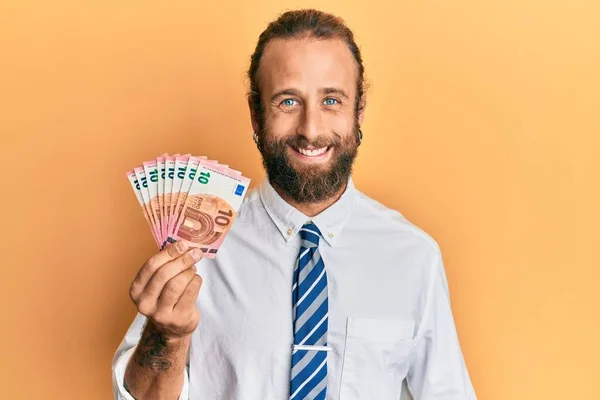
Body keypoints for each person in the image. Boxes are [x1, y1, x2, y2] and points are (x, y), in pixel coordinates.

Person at [112, 9, 477, 400]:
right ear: (256, 115)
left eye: (331, 100)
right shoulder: (196, 248)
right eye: (288, 102)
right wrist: (168, 336)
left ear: (359, 111)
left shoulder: (413, 257)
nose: (311, 129)